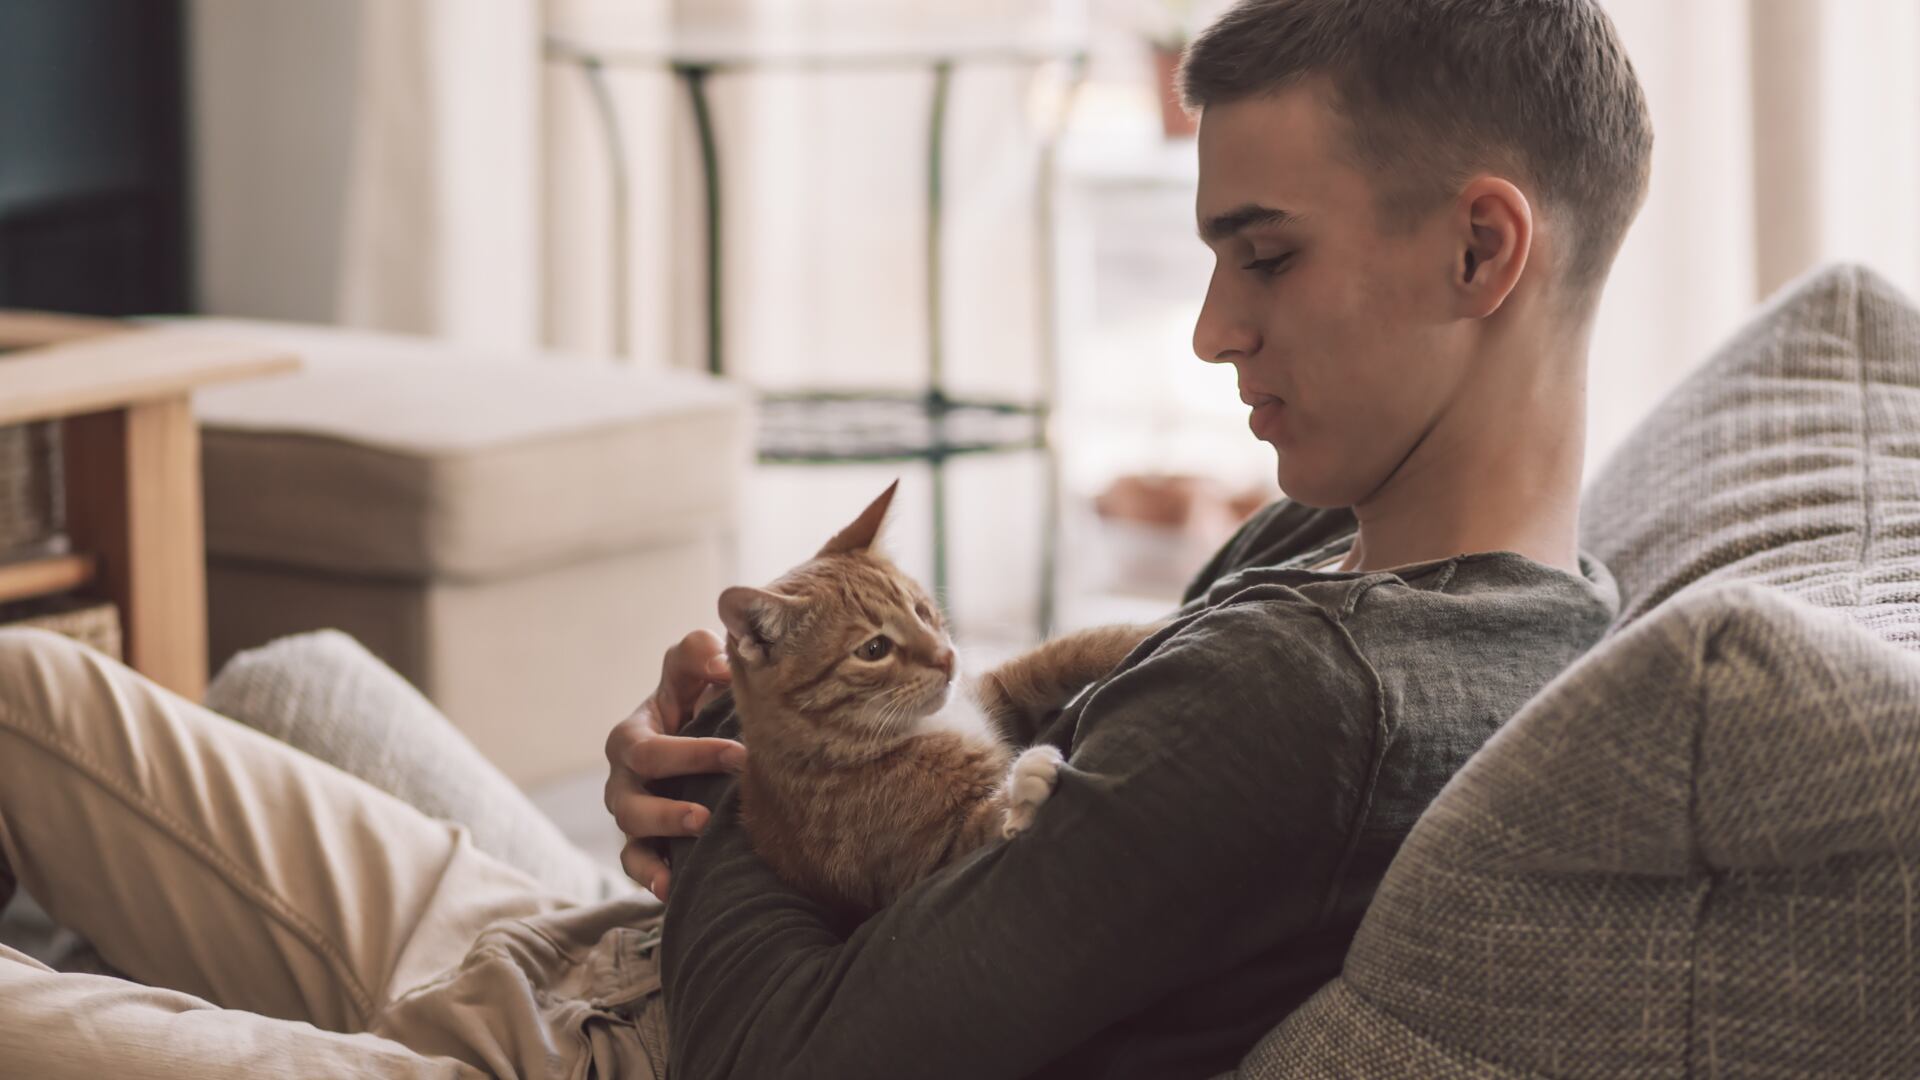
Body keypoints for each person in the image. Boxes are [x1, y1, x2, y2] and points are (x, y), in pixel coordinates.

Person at [0, 1, 1649, 1077]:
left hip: (610, 1059)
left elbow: (785, 1057)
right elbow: (959, 769)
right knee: (32, 687)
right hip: (590, 949)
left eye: (1265, 256)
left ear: (1480, 250)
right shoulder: (1403, 562)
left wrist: (745, 795)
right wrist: (728, 750)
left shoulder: (1316, 702)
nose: (1215, 330)